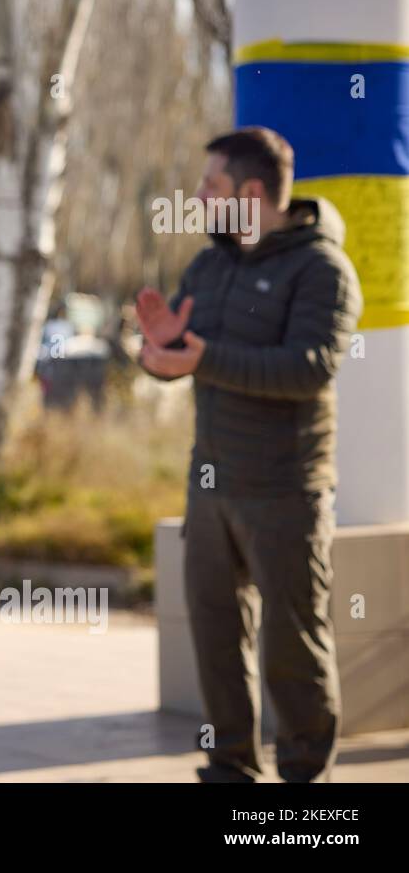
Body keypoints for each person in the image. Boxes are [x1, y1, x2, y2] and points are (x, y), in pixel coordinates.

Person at [136, 127, 363, 783]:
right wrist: (157, 353)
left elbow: (309, 368)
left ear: (252, 191)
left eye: (211, 185)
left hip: (287, 487)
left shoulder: (324, 269)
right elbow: (178, 353)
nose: (200, 196)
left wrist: (204, 356)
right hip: (210, 483)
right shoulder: (210, 264)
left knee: (293, 643)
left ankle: (304, 779)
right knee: (214, 631)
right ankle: (230, 766)